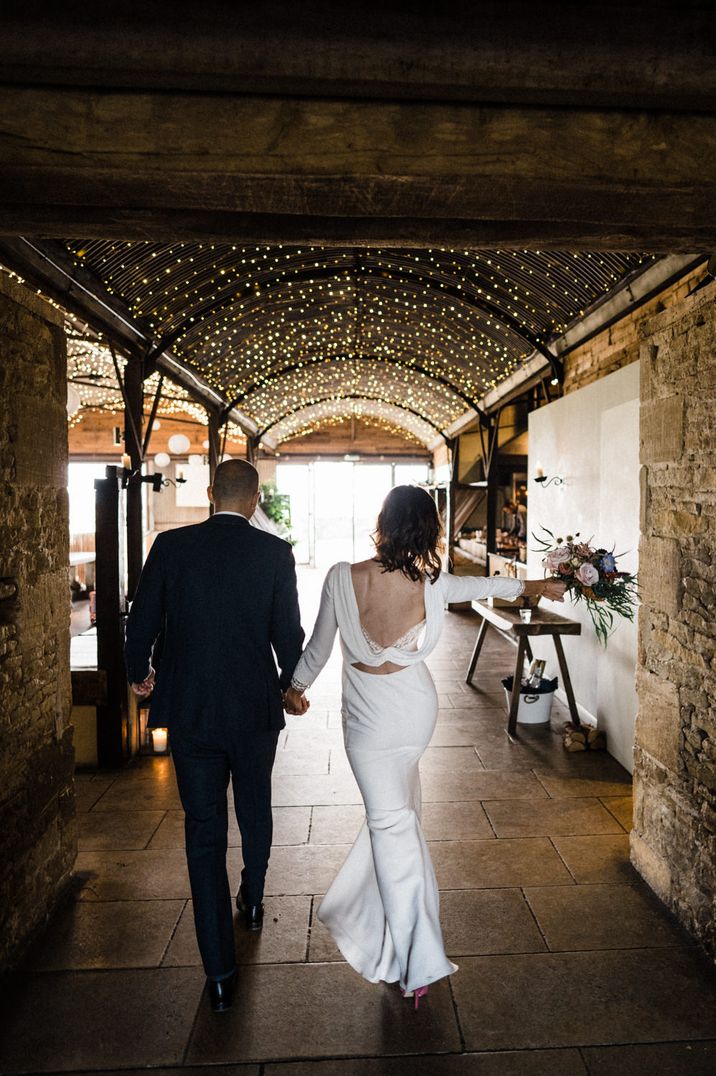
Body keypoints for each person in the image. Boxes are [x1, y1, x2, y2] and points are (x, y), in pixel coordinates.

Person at [284, 485, 565, 1008]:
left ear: (383, 521)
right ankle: (390, 937)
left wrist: (295, 687)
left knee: (392, 826)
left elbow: (318, 648)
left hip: (367, 727)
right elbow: (488, 584)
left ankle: (419, 960)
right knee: (400, 820)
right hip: (414, 714)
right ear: (429, 529)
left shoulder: (342, 577)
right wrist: (535, 585)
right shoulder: (434, 583)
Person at [124, 459, 307, 1014]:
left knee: (203, 834)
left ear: (209, 494)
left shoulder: (171, 547)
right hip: (253, 712)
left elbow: (141, 622)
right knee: (255, 808)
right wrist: (289, 686)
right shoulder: (274, 554)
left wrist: (140, 674)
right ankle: (253, 897)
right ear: (255, 501)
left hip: (193, 712)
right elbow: (289, 635)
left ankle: (220, 974)